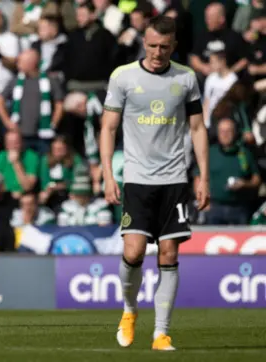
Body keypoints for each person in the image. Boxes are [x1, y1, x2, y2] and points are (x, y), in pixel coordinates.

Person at [99, 16, 210, 351]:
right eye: (152, 45)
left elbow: (197, 128)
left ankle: (161, 332)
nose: (158, 52)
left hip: (175, 179)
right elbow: (107, 128)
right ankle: (130, 311)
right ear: (143, 43)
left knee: (169, 252)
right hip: (137, 179)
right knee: (132, 253)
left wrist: (202, 175)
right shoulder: (123, 77)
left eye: (164, 46)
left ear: (173, 45)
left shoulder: (186, 78)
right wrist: (107, 174)